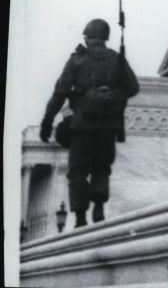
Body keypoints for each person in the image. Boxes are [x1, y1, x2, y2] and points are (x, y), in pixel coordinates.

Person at [40, 18, 139, 228]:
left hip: (82, 124)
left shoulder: (77, 59)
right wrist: (112, 93)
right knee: (102, 167)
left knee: (77, 171)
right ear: (105, 38)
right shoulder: (116, 58)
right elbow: (132, 88)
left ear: (87, 37)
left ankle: (80, 216)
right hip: (108, 125)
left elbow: (60, 92)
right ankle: (99, 206)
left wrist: (47, 121)